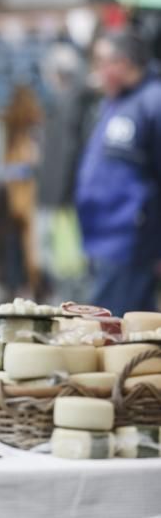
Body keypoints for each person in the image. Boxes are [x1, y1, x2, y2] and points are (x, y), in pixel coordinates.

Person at [75, 29, 161, 316]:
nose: (97, 73)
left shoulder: (154, 101)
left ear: (122, 63)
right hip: (101, 239)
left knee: (111, 330)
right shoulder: (114, 102)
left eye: (102, 63)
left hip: (131, 242)